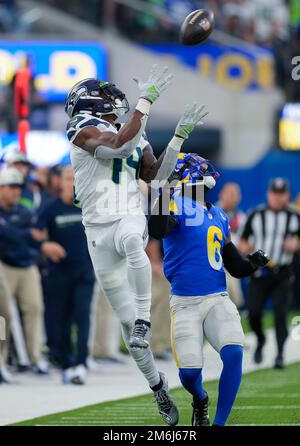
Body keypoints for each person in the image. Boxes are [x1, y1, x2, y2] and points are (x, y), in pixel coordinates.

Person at [65, 65, 207, 425]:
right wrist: (145, 103)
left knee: (132, 239)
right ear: (91, 102)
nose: (116, 100)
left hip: (126, 214)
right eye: (107, 94)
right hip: (96, 230)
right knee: (130, 332)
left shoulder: (134, 131)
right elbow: (116, 146)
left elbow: (156, 177)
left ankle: (145, 319)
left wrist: (178, 138)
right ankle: (158, 387)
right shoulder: (81, 130)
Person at [148, 153, 269, 426]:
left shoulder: (218, 214)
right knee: (189, 374)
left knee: (234, 353)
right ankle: (200, 399)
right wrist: (165, 193)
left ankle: (219, 424)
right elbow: (157, 227)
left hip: (217, 298)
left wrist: (252, 263)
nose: (206, 172)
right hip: (185, 302)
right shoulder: (175, 204)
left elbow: (233, 265)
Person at [0, 167, 64, 373]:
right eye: (11, 186)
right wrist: (31, 238)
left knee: (35, 308)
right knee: (2, 316)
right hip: (3, 265)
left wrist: (32, 238)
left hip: (26, 265)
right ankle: (1, 361)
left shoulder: (25, 212)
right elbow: (17, 235)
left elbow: (33, 235)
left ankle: (34, 357)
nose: (16, 191)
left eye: (18, 187)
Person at [35, 166, 94, 384]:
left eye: (75, 178)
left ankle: (81, 362)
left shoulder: (88, 206)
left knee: (83, 315)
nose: (72, 182)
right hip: (59, 271)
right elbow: (36, 234)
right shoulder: (50, 207)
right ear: (60, 181)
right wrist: (45, 245)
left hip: (85, 270)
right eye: (68, 178)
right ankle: (65, 361)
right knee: (61, 318)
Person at [239, 178, 300, 369]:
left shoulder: (295, 216)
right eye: (274, 193)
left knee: (280, 313)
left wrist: (296, 245)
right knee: (254, 313)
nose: (277, 197)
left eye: (281, 194)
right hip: (260, 272)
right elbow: (242, 241)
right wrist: (246, 249)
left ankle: (280, 353)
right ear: (269, 194)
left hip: (283, 272)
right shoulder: (255, 214)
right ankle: (261, 339)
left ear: (287, 195)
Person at [218, 182, 246, 307]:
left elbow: (245, 245)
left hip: (231, 263)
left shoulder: (241, 217)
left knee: (234, 303)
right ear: (221, 194)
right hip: (216, 264)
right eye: (229, 194)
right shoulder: (212, 212)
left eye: (235, 194)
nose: (232, 197)